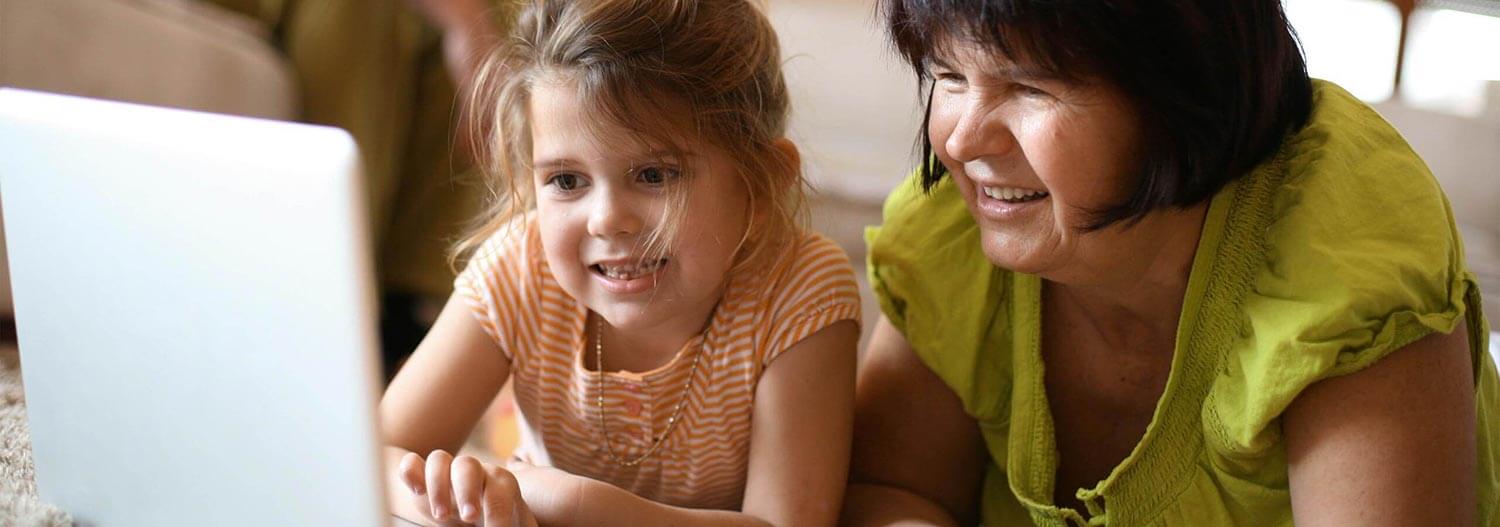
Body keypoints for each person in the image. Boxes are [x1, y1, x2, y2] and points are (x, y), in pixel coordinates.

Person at [843, 1, 1498, 525]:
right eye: (949, 76)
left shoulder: (1346, 257)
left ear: (1179, 89)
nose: (961, 138)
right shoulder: (948, 234)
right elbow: (894, 488)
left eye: (1027, 86)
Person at [379, 0, 863, 525]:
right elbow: (372, 458)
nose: (607, 221)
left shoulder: (800, 293)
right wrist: (452, 494)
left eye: (655, 174)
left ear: (762, 181)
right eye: (567, 181)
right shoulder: (521, 265)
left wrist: (579, 505)